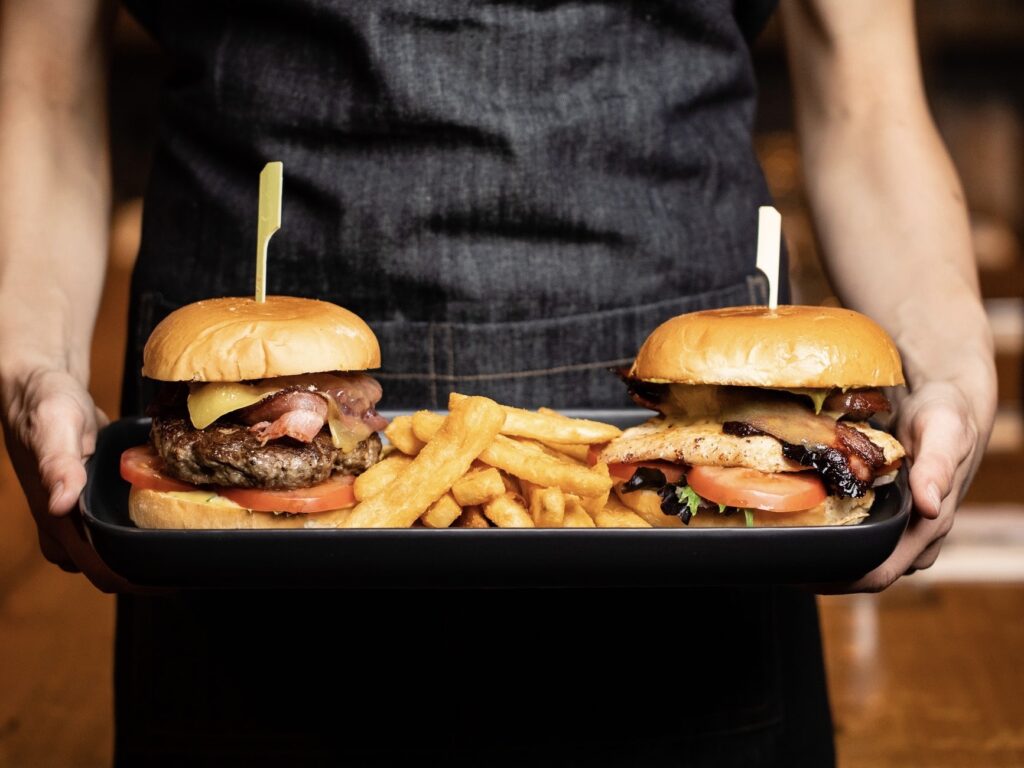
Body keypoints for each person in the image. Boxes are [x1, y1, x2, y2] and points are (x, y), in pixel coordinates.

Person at [0, 0, 996, 765]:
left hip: (692, 534)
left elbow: (866, 104)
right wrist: (30, 357)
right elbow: (40, 85)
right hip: (238, 546)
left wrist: (947, 361)